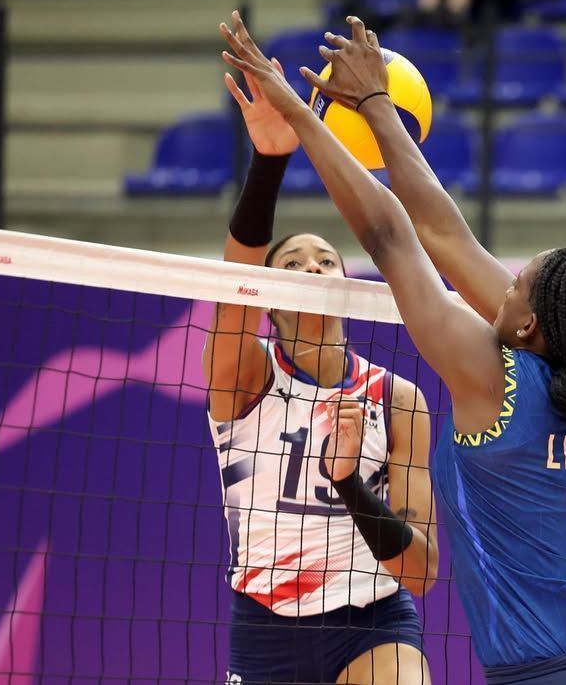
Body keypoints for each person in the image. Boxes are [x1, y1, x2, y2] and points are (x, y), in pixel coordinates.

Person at [221, 10, 566, 684]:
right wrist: (376, 105)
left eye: (517, 284)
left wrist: (302, 116)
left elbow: (394, 238)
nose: (501, 287)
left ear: (530, 324)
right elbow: (446, 233)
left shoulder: (500, 381)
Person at [204, 57, 438, 684]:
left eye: (325, 260)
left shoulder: (397, 399)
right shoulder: (245, 377)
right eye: (292, 264)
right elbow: (233, 286)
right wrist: (269, 160)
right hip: (266, 625)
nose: (311, 268)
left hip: (374, 622)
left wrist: (349, 482)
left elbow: (420, 572)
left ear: (345, 284)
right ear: (267, 296)